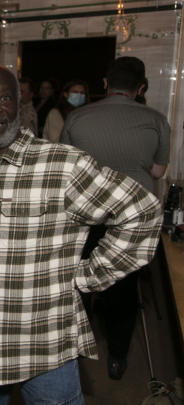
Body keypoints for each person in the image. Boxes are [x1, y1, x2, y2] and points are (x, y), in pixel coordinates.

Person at [0, 64, 162, 404]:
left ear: (20, 105)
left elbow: (143, 212)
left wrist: (86, 277)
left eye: (4, 97)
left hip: (46, 350)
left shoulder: (62, 165)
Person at [60, 56, 171, 380]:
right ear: (140, 88)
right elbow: (158, 171)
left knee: (78, 284)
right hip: (130, 223)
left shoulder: (78, 117)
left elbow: (64, 169)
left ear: (105, 84)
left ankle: (71, 353)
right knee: (122, 290)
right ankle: (117, 359)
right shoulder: (157, 120)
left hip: (84, 218)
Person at [43, 79, 90, 143]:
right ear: (66, 94)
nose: (79, 96)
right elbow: (55, 140)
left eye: (82, 93)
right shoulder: (55, 114)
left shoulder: (88, 113)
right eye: (75, 92)